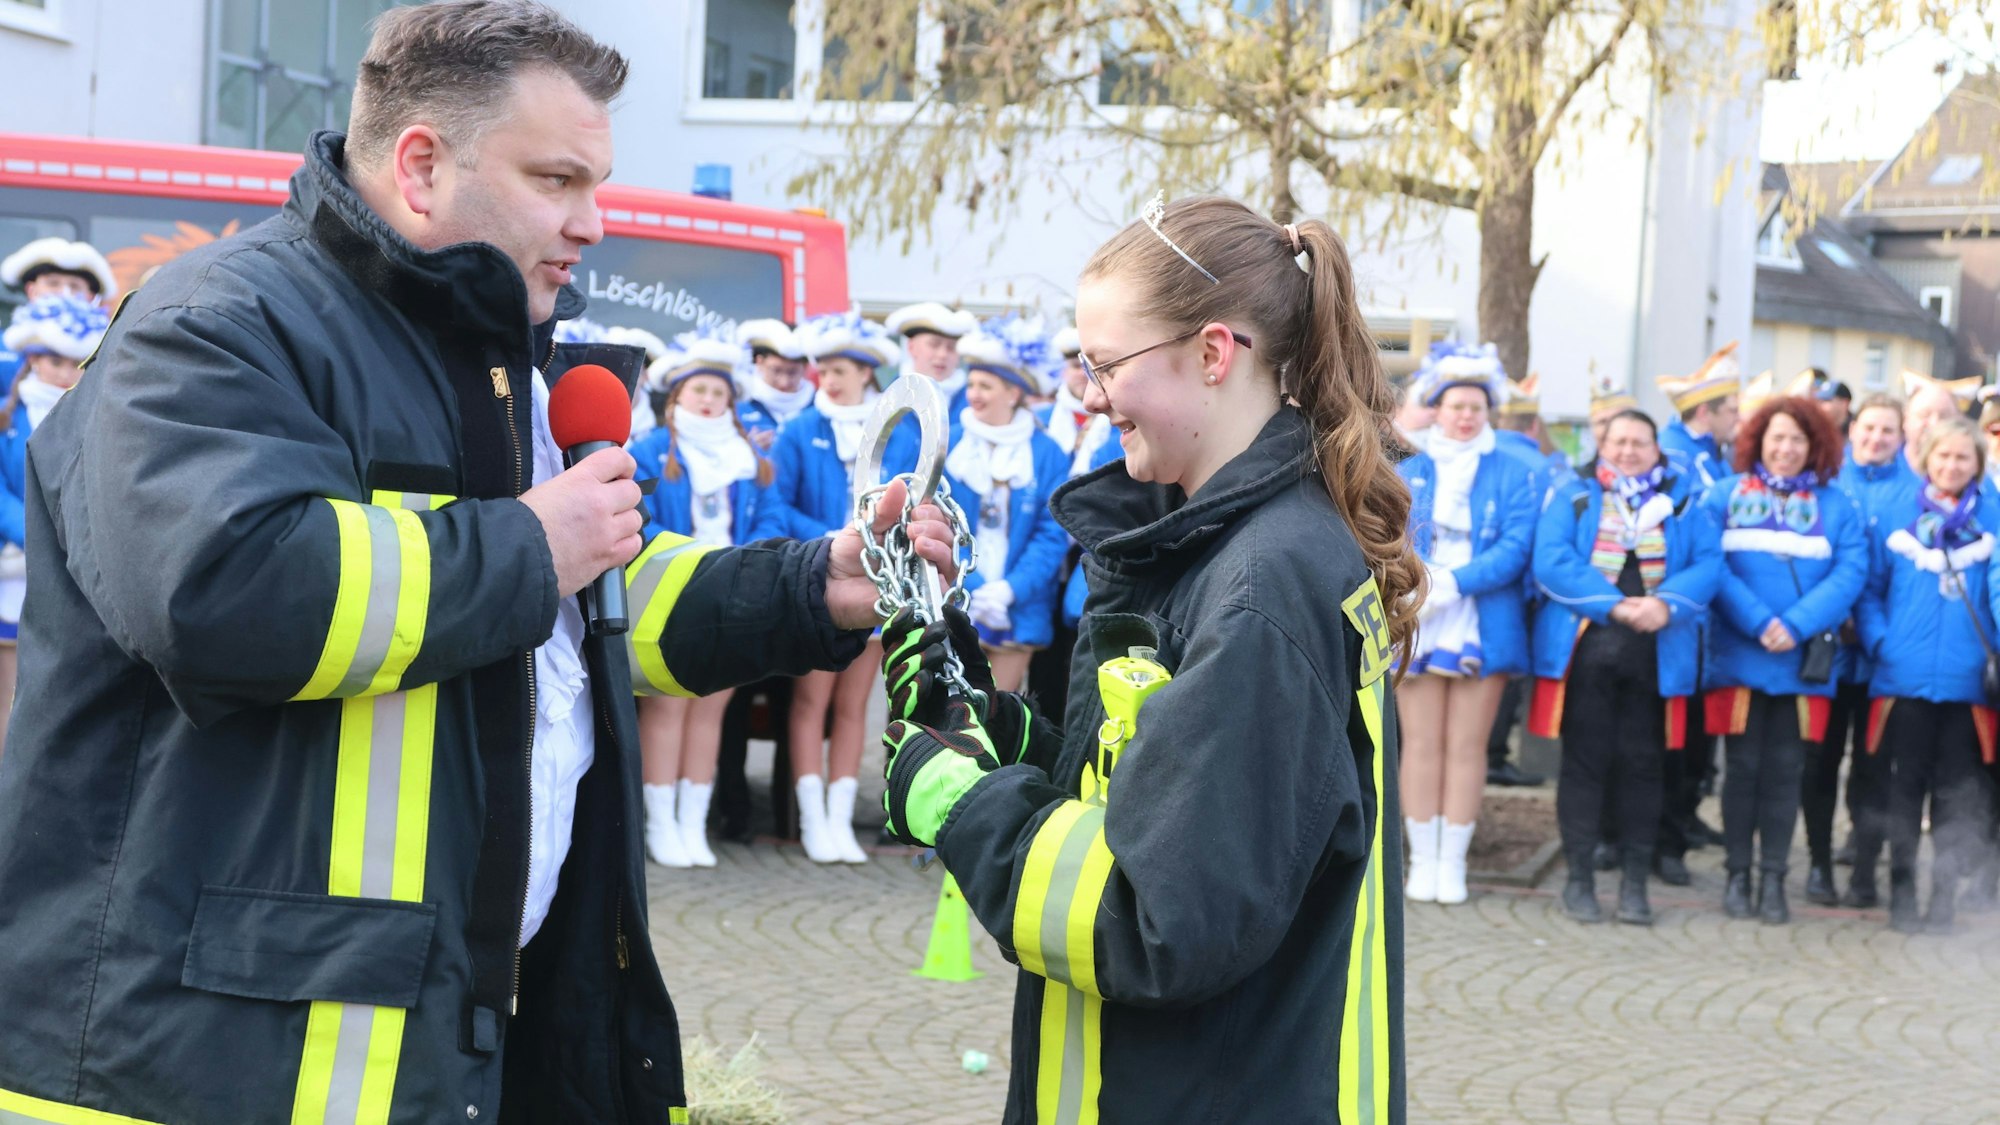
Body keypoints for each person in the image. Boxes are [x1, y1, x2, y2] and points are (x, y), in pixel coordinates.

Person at [0, 5, 960, 1120]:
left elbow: (578, 609)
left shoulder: (501, 362)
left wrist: (814, 583)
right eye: (558, 180)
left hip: (428, 1031)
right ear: (419, 167)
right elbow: (222, 591)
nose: (593, 223)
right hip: (203, 1057)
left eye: (596, 183)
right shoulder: (215, 327)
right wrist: (532, 540)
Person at [874, 195, 1415, 1123]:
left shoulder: (1257, 584)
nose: (1085, 393)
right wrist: (986, 721)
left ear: (1212, 354)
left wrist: (959, 803)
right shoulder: (1223, 544)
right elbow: (1157, 788)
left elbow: (1159, 918)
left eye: (1104, 364)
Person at [1531, 409, 1721, 924]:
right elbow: (1551, 560)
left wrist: (1668, 604)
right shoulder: (1574, 495)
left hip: (1657, 655)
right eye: (1619, 441)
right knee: (1584, 767)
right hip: (1587, 656)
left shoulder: (1683, 502)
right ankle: (1579, 881)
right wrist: (1611, 604)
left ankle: (1635, 885)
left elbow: (1709, 563)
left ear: (1657, 450)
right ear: (1603, 445)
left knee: (1645, 767)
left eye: (1640, 442)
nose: (1629, 451)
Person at [1700, 395, 1867, 924]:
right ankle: (1737, 874)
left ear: (1814, 444)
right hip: (1740, 656)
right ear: (1758, 441)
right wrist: (1758, 621)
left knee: (1786, 774)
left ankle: (1774, 878)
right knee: (1741, 771)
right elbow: (1712, 565)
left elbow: (1850, 572)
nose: (1786, 449)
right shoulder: (1724, 496)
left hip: (1801, 664)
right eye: (1777, 437)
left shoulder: (1837, 506)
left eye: (1797, 439)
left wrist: (1794, 624)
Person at [753, 310, 898, 863]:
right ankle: (812, 819)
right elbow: (775, 507)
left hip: (876, 587)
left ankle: (840, 820)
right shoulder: (798, 431)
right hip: (815, 580)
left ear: (866, 373)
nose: (829, 380)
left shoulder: (897, 432)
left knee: (854, 706)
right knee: (811, 701)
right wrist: (837, 541)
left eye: (841, 370)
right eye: (825, 370)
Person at [1396, 340, 1537, 905]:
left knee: (1467, 745)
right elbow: (1384, 533)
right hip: (1420, 615)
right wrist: (1420, 582)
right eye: (1455, 406)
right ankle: (1421, 858)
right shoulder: (1408, 467)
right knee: (1421, 744)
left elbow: (1517, 544)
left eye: (1475, 407)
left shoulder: (1513, 468)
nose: (1465, 416)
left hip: (1481, 616)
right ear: (1437, 407)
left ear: (1488, 412)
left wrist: (1454, 583)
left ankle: (1453, 861)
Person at [629, 331, 775, 868]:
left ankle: (693, 824)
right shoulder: (647, 450)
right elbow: (642, 519)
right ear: (675, 397)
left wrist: (752, 568)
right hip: (672, 595)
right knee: (667, 710)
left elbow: (772, 518)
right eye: (699, 391)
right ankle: (658, 823)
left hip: (733, 598)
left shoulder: (749, 458)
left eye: (719, 392)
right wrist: (689, 566)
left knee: (711, 712)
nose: (709, 400)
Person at [1857, 415, 2000, 932]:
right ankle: (1899, 893)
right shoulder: (1897, 511)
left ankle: (1942, 898)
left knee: (1955, 797)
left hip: (1967, 685)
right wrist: (1881, 641)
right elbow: (1869, 589)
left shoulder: (1996, 518)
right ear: (1926, 459)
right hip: (1902, 679)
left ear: (1977, 465)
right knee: (1902, 792)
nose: (1952, 466)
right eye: (1943, 456)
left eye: (1963, 458)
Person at [1805, 393, 1912, 906]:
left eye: (1887, 431)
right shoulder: (1826, 484)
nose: (1876, 439)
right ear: (1853, 430)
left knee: (1874, 767)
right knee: (1820, 762)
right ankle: (1819, 865)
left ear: (1902, 435)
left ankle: (1865, 869)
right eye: (1868, 429)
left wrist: (1880, 632)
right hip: (1825, 655)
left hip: (1883, 658)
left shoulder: (1916, 494)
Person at [0, 296, 107, 755]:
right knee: (10, 681)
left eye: (73, 361)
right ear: (31, 358)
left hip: (76, 564)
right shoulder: (8, 416)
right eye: (51, 359)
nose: (63, 371)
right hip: (14, 570)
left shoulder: (100, 412)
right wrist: (30, 530)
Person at [945, 316, 1071, 693]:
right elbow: (940, 522)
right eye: (971, 384)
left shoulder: (1047, 452)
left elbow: (1052, 535)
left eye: (986, 385)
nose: (974, 393)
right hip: (957, 592)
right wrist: (974, 584)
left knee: (997, 717)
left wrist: (1009, 590)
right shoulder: (949, 443)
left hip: (1019, 604)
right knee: (951, 718)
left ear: (1013, 393)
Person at [1488, 372, 1566, 789]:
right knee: (1507, 678)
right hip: (1524, 588)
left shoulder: (1482, 459)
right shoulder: (1547, 467)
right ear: (1534, 426)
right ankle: (1495, 755)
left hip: (1470, 586)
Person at [1657, 343, 1743, 488]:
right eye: (1732, 411)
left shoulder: (1711, 448)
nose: (1739, 418)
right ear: (1703, 413)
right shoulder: (1672, 453)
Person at [1040, 324, 1114, 477]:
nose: (1083, 374)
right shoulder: (1042, 419)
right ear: (1063, 370)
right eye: (1075, 366)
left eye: (1088, 367)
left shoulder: (1118, 417)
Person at [734, 317, 812, 448]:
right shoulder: (739, 405)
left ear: (805, 367)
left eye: (792, 372)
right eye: (776, 371)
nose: (784, 382)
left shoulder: (819, 407)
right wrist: (748, 450)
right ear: (759, 362)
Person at [886, 300, 977, 408]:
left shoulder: (975, 405)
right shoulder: (888, 401)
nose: (942, 354)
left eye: (952, 347)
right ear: (911, 347)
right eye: (934, 345)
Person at [0, 236, 117, 307]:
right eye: (53, 284)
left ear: (90, 297)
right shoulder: (7, 345)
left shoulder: (106, 346)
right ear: (32, 291)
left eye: (75, 286)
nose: (64, 293)